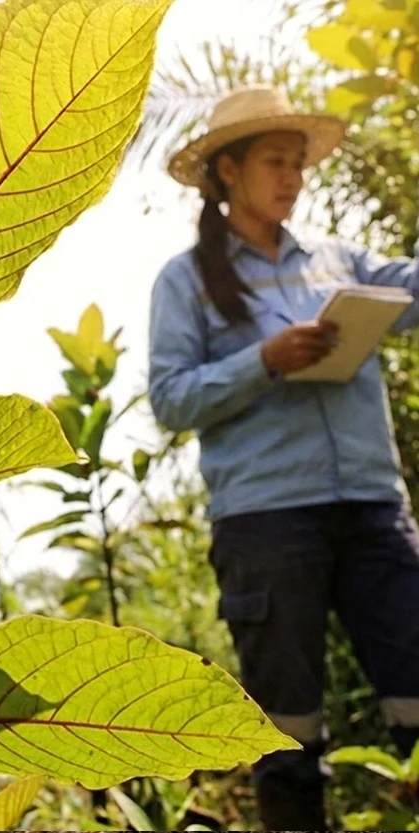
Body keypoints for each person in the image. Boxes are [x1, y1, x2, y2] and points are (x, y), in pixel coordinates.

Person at [147, 84, 419, 830]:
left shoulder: (341, 261)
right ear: (227, 171)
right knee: (286, 729)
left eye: (298, 162)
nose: (292, 177)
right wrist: (262, 360)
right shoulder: (186, 280)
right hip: (265, 524)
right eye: (275, 160)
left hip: (372, 507)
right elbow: (170, 399)